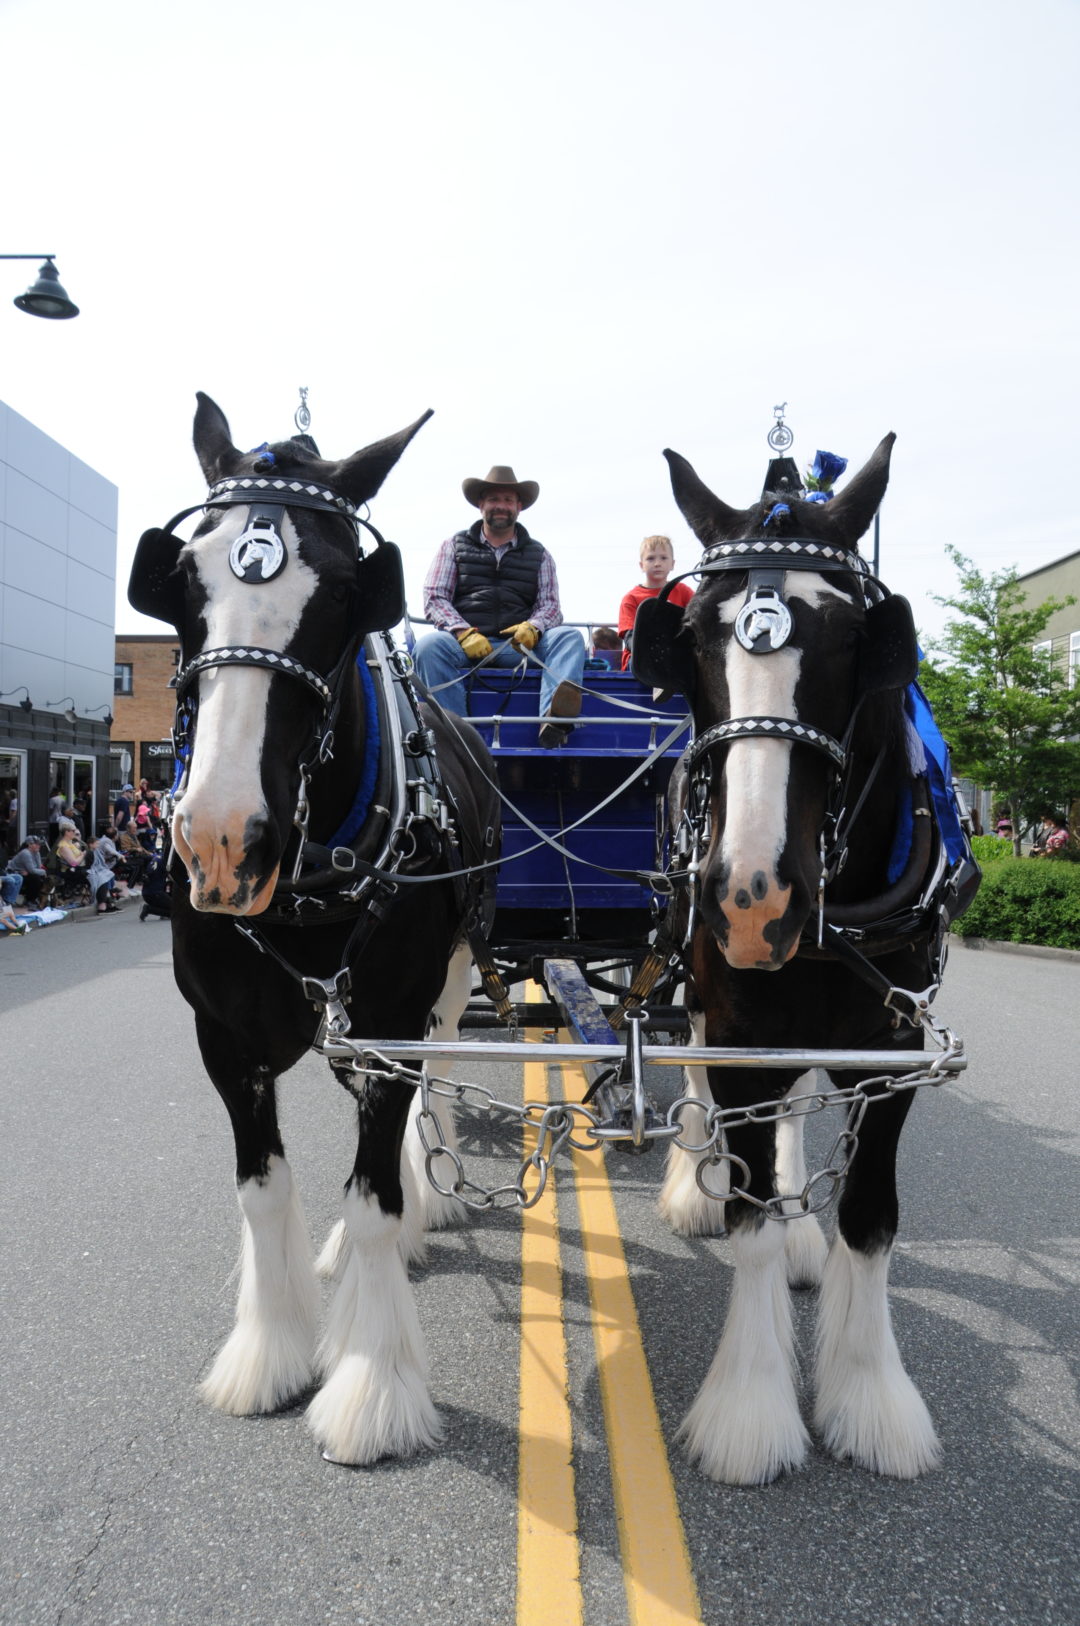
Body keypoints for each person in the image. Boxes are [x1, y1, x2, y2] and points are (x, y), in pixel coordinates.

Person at [413, 465, 586, 748]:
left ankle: (554, 721)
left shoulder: (540, 554)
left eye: (507, 500)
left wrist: (533, 627)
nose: (500, 506)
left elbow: (551, 606)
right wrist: (464, 632)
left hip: (518, 647)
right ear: (481, 504)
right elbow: (435, 597)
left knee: (568, 637)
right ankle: (455, 735)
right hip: (465, 645)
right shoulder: (452, 546)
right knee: (428, 647)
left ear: (519, 506)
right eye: (494, 499)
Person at [617, 535, 694, 671]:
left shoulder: (684, 592)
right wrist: (654, 652)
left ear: (672, 564)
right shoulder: (631, 598)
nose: (657, 563)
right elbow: (629, 637)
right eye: (650, 558)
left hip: (676, 654)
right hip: (641, 658)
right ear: (641, 565)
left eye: (663, 558)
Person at [5, 837, 49, 908]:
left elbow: (39, 867)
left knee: (41, 877)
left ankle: (38, 898)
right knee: (35, 879)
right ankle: (30, 900)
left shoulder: (36, 852)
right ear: (29, 845)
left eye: (39, 844)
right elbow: (32, 870)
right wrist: (43, 871)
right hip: (15, 873)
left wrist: (42, 871)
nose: (39, 846)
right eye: (36, 844)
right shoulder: (26, 853)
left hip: (27, 872)